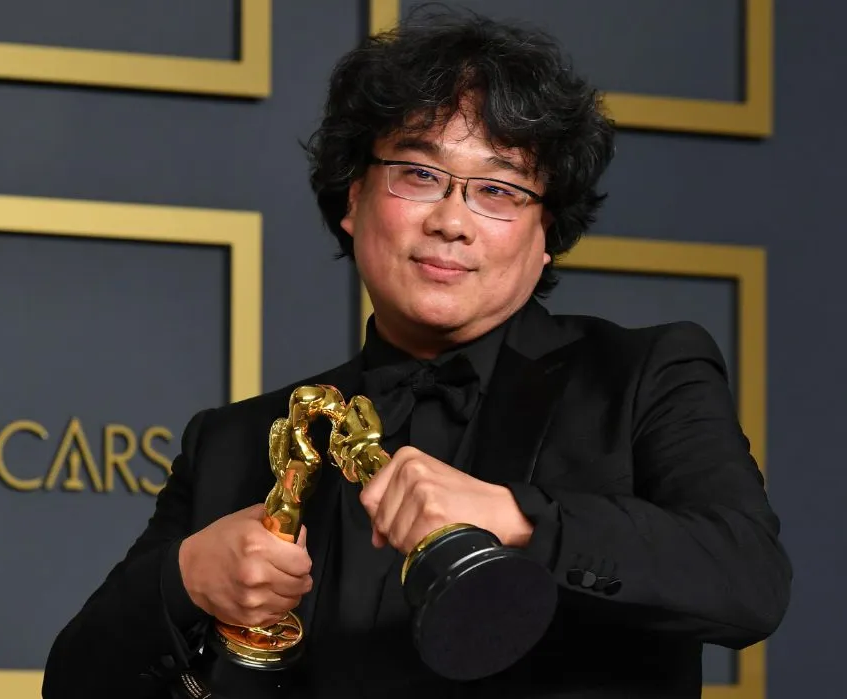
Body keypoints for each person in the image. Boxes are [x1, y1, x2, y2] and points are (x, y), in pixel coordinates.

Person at [41, 8, 791, 698]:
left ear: (547, 236)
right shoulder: (234, 441)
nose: (452, 221)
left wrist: (517, 517)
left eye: (499, 190)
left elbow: (749, 580)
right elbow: (74, 683)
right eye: (420, 174)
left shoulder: (642, 376)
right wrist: (183, 579)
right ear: (353, 199)